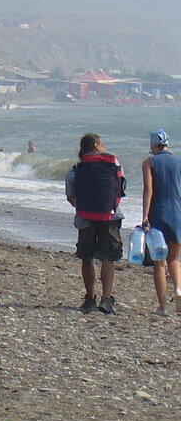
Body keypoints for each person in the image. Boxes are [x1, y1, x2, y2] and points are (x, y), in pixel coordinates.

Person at [65, 133, 125, 314]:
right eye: (102, 143)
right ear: (97, 145)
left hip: (85, 217)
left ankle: (90, 297)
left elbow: (71, 197)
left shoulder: (75, 169)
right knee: (108, 257)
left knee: (87, 256)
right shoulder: (114, 164)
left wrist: (84, 207)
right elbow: (120, 191)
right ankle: (106, 299)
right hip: (110, 216)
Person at [142, 129, 181, 316]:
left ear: (153, 146)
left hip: (158, 211)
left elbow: (148, 190)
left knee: (159, 262)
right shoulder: (179, 162)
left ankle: (163, 306)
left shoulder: (149, 163)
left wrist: (144, 217)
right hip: (178, 211)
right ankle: (179, 290)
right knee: (174, 259)